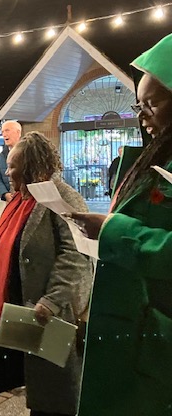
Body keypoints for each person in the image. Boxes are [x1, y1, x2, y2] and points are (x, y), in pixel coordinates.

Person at [70, 34, 172, 415]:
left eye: (152, 104)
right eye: (138, 105)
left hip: (157, 343)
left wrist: (112, 230)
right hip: (136, 334)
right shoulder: (153, 159)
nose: (142, 115)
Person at [0, 131, 92, 416]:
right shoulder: (21, 199)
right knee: (37, 386)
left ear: (32, 166)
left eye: (13, 166)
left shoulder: (63, 198)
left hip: (50, 313)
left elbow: (76, 256)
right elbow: (6, 254)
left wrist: (52, 300)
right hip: (25, 308)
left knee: (55, 392)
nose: (7, 172)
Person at [0, 121, 22, 203]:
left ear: (18, 133)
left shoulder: (27, 153)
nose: (4, 134)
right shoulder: (2, 155)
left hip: (23, 199)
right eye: (2, 132)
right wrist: (5, 194)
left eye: (7, 130)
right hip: (8, 201)